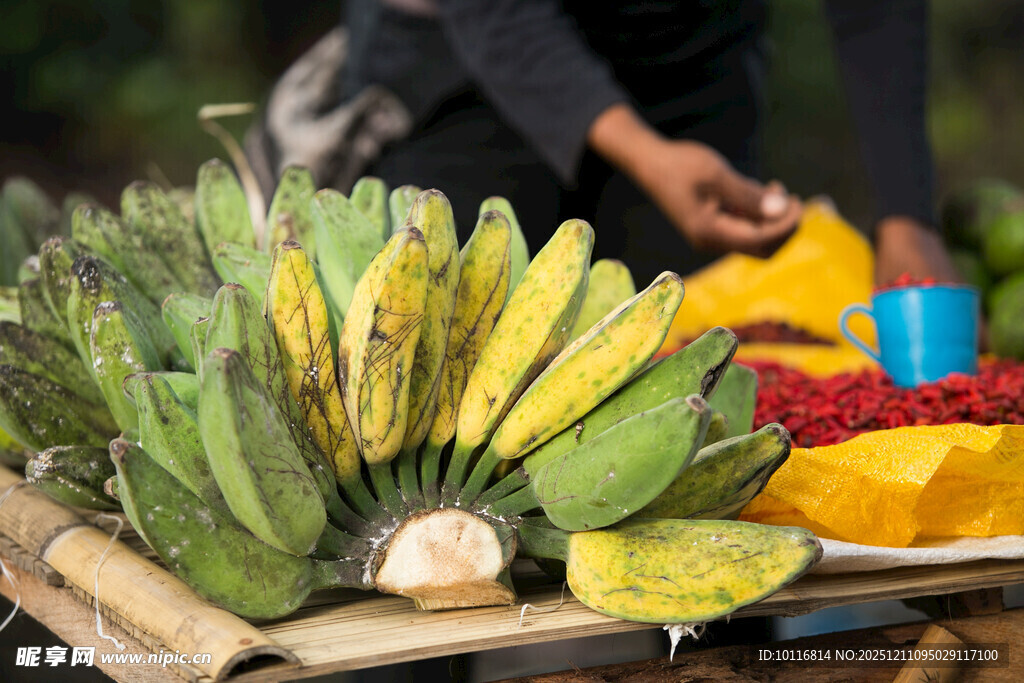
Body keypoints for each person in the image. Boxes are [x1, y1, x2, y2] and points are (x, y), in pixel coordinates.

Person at [332, 0, 957, 287]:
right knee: (459, 349)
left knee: (684, 374)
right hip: (464, 63)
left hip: (690, 55)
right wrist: (646, 153)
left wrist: (907, 213)